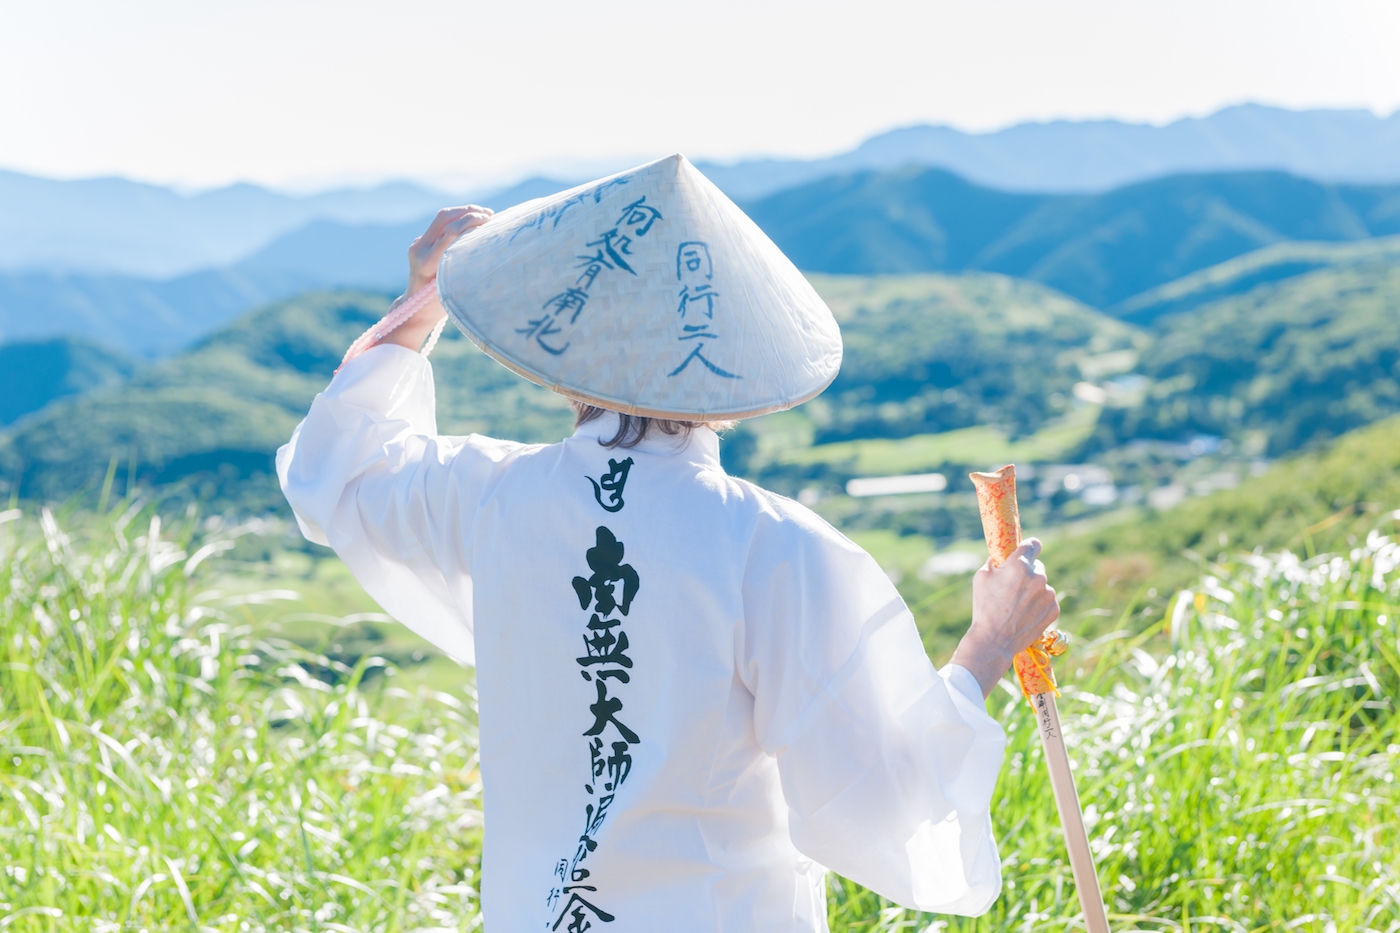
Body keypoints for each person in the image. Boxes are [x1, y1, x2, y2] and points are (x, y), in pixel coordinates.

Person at [279, 175, 1059, 932]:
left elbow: (335, 472)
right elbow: (884, 798)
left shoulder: (487, 495)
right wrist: (989, 642)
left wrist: (420, 305)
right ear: (735, 363)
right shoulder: (775, 548)